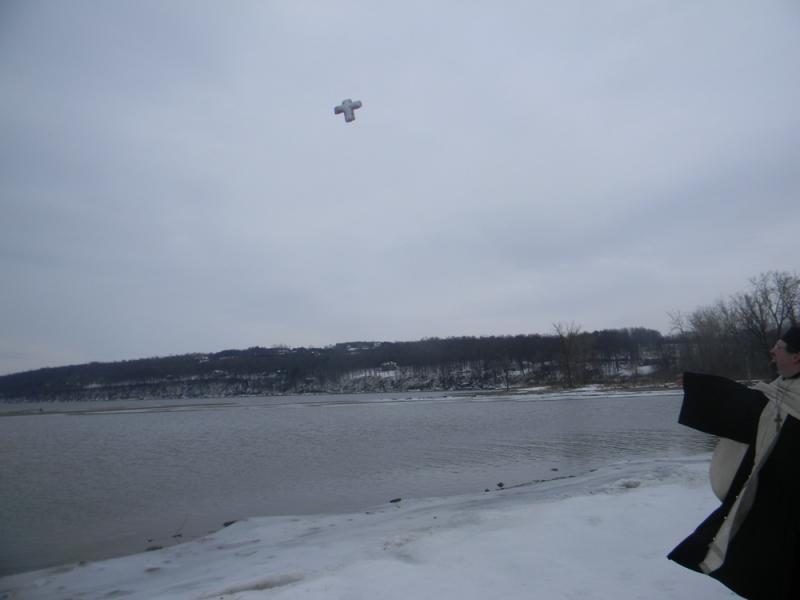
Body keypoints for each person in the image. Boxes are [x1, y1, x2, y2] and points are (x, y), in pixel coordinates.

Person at [668, 325, 800, 599]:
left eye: (779, 347)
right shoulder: (784, 390)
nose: (772, 351)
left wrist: (700, 388)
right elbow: (754, 408)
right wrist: (698, 387)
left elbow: (753, 410)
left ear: (797, 357)